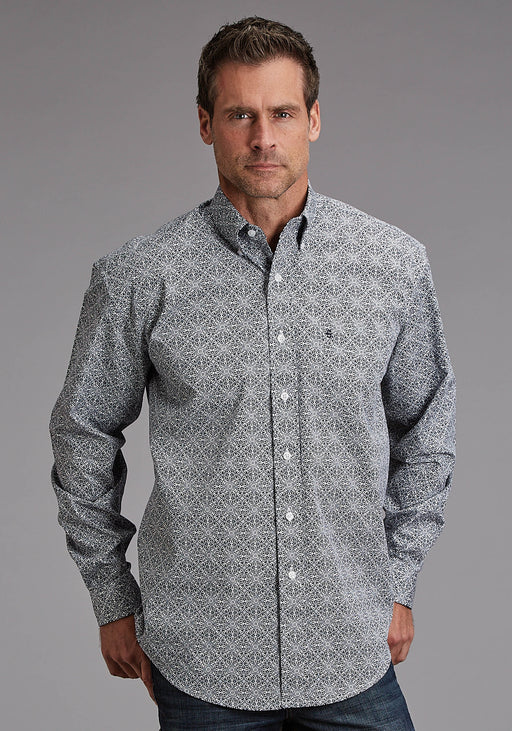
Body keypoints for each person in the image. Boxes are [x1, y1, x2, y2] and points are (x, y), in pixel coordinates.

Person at [49, 16, 456, 731]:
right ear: (206, 124)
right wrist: (111, 597)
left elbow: (429, 427)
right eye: (240, 115)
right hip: (202, 659)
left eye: (282, 114)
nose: (263, 138)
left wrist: (399, 578)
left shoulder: (391, 264)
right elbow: (82, 432)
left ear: (314, 119)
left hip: (349, 647)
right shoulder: (140, 275)